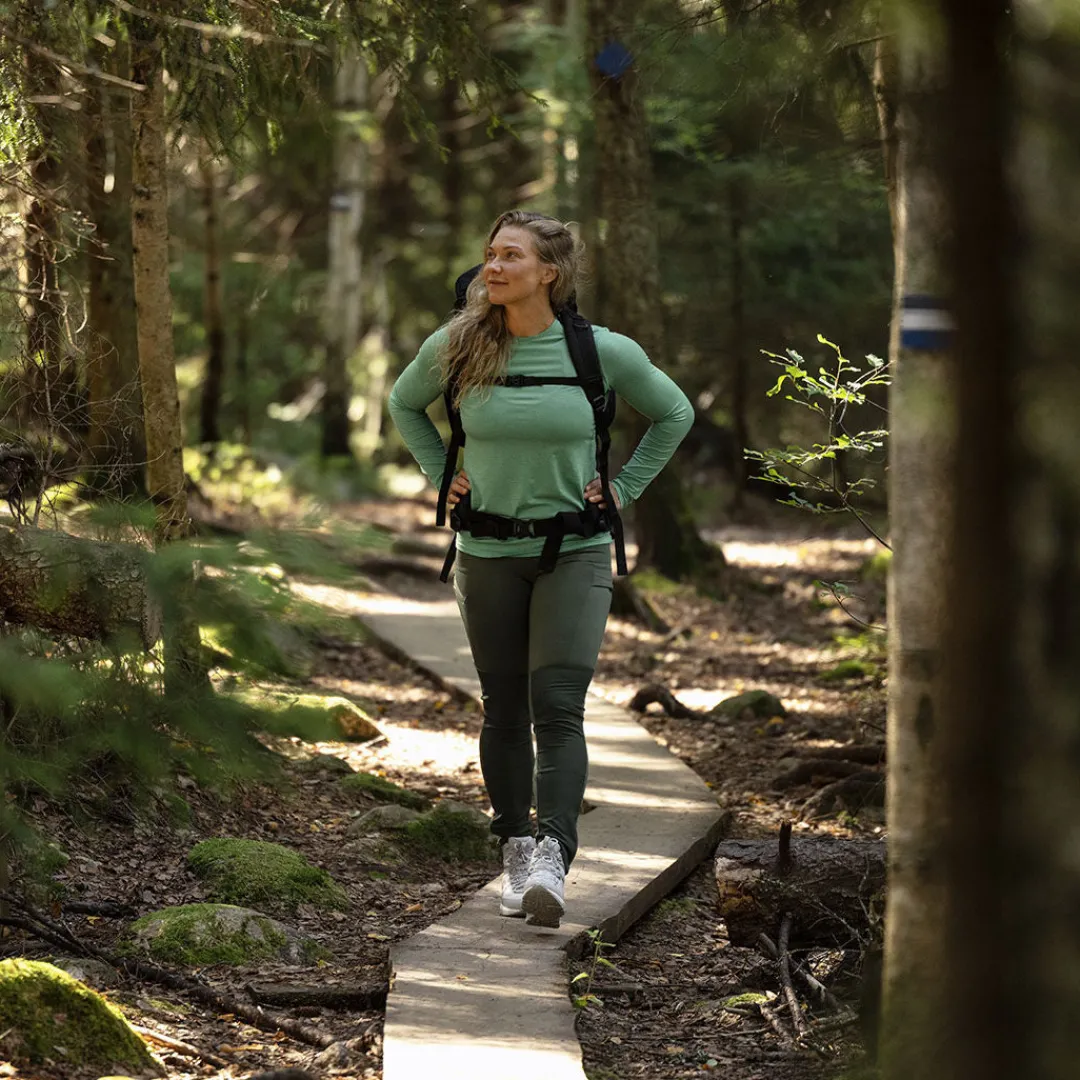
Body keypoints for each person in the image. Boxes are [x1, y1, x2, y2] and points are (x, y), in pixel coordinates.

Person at [388, 210, 693, 928]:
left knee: (558, 705)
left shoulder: (600, 352)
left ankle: (555, 854)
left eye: (510, 257)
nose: (492, 267)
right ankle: (516, 847)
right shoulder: (458, 344)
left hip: (576, 551)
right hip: (487, 553)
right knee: (505, 706)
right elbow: (404, 405)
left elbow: (672, 413)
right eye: (489, 254)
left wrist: (622, 489)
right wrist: (444, 475)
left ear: (548, 273)